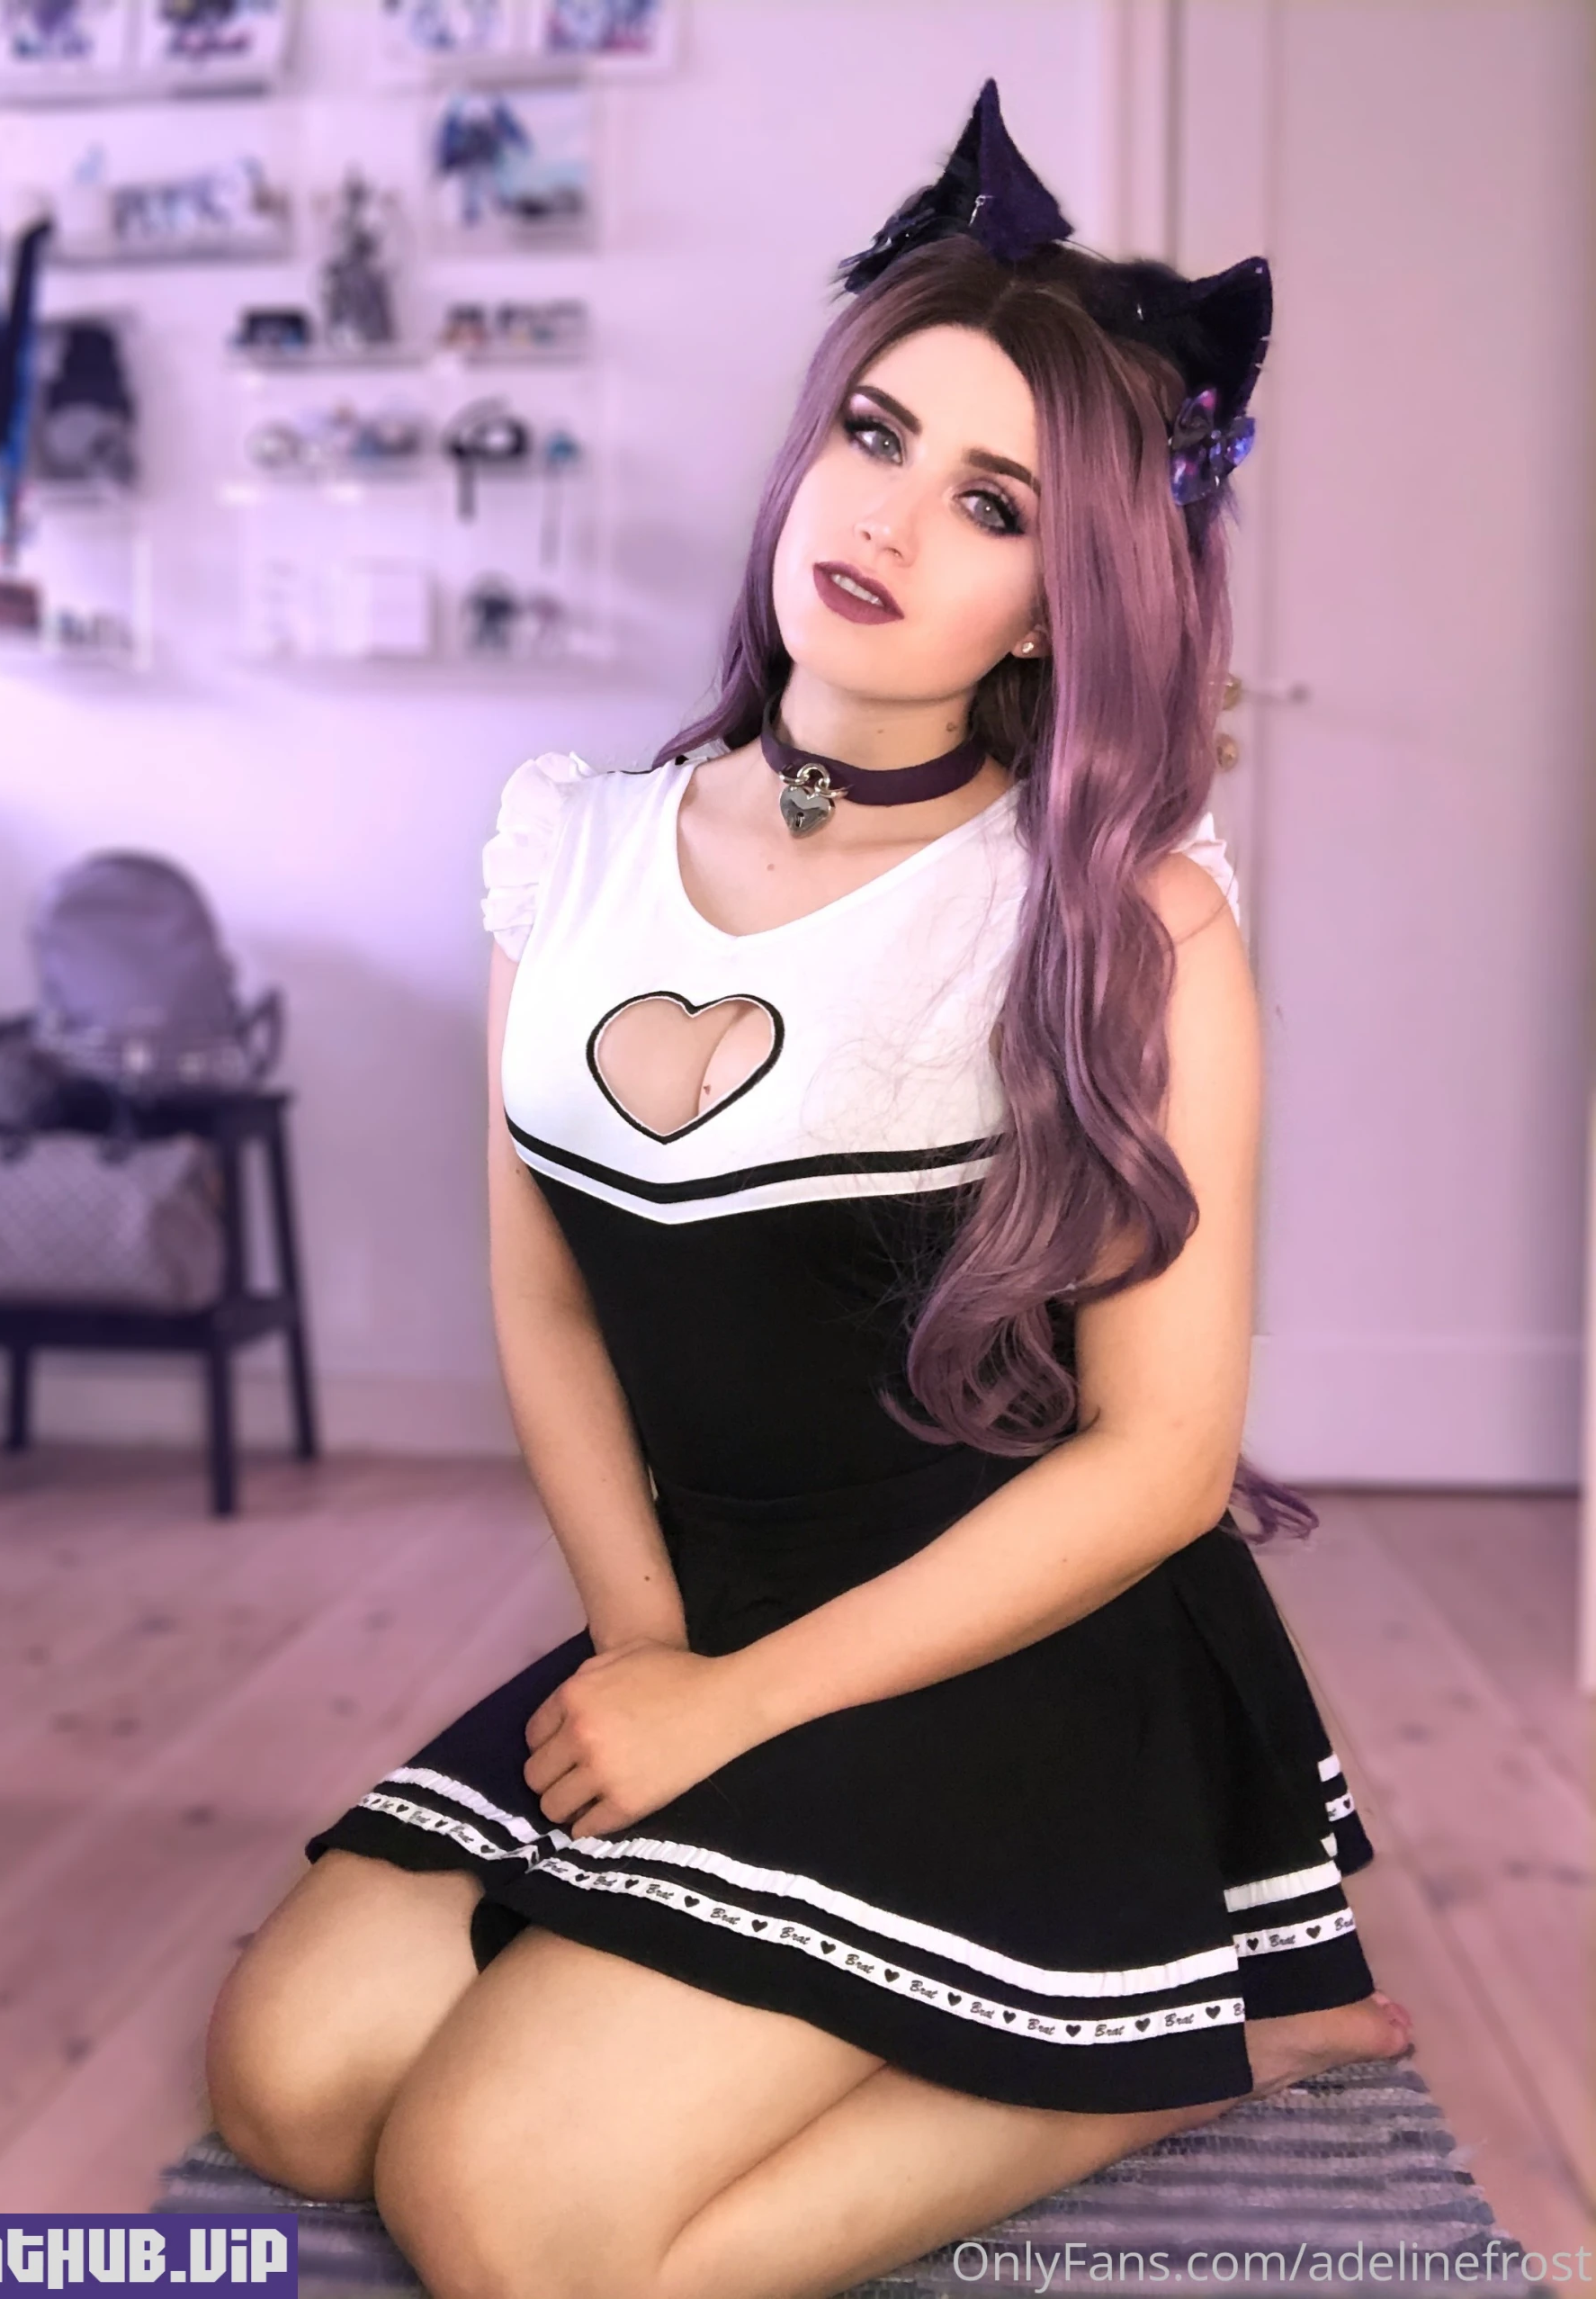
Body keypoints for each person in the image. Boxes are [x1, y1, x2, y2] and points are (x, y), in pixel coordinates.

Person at [204, 83, 1413, 2299]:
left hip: (1017, 1649)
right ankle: (1077, 2013)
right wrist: (650, 1652)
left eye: (992, 504)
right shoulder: (569, 841)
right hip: (709, 1607)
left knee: (504, 2214)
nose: (890, 517)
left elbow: (1158, 1465)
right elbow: (549, 1299)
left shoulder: (1123, 917)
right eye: (875, 433)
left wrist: (742, 1712)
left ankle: (1164, 2045)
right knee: (294, 2090)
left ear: (1061, 602)